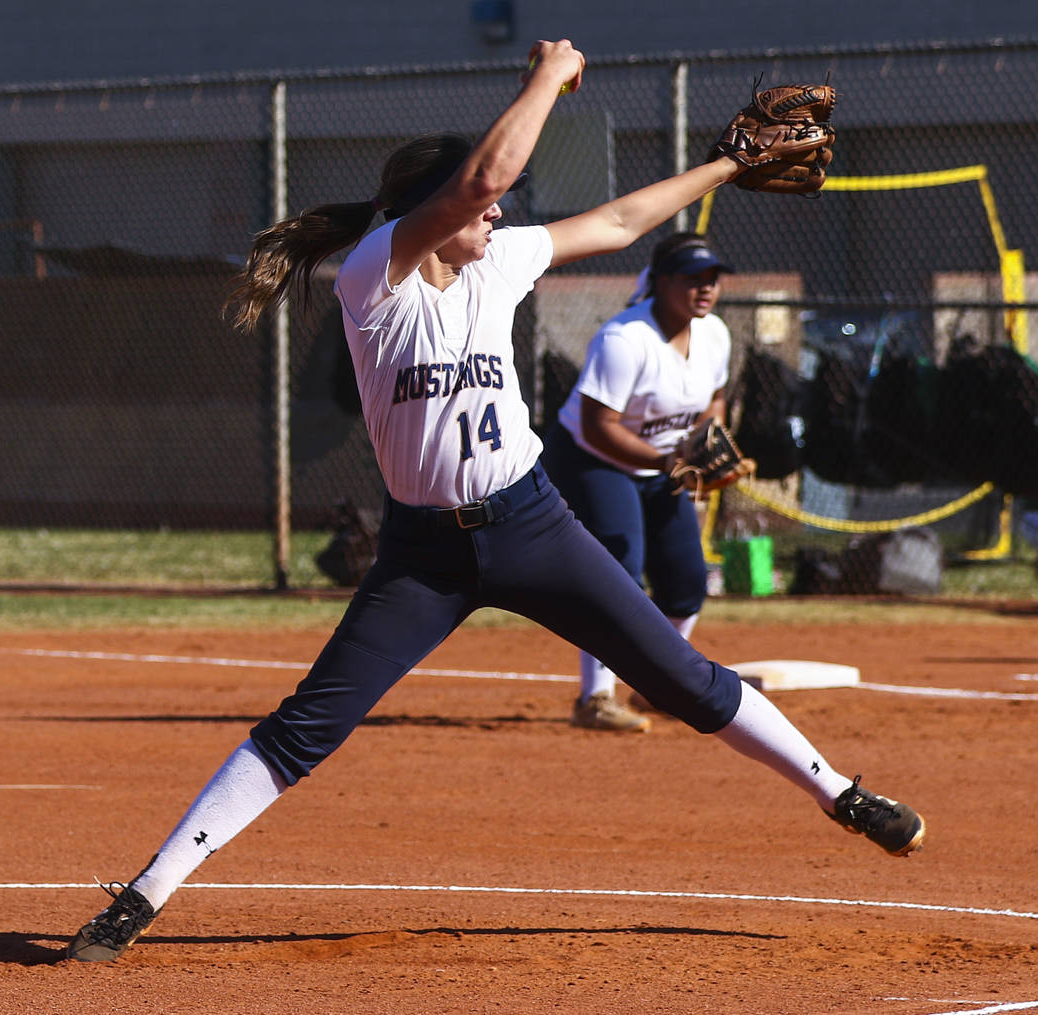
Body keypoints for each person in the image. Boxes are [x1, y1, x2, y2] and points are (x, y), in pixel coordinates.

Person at [66, 39, 925, 964]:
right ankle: (143, 894)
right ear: (427, 212)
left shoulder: (498, 263)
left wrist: (730, 162)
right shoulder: (373, 277)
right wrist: (547, 78)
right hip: (422, 559)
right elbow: (484, 177)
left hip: (531, 524)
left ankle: (841, 792)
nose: (500, 211)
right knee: (307, 725)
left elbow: (623, 219)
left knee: (680, 676)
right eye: (480, 204)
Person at [542, 231, 736, 732]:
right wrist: (671, 461)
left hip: (664, 463)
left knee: (687, 581)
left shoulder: (714, 332)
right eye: (692, 278)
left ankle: (662, 683)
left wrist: (705, 442)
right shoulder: (624, 339)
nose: (705, 287)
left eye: (712, 278)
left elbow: (714, 399)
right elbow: (596, 426)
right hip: (594, 460)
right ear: (661, 282)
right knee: (619, 572)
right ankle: (595, 698)